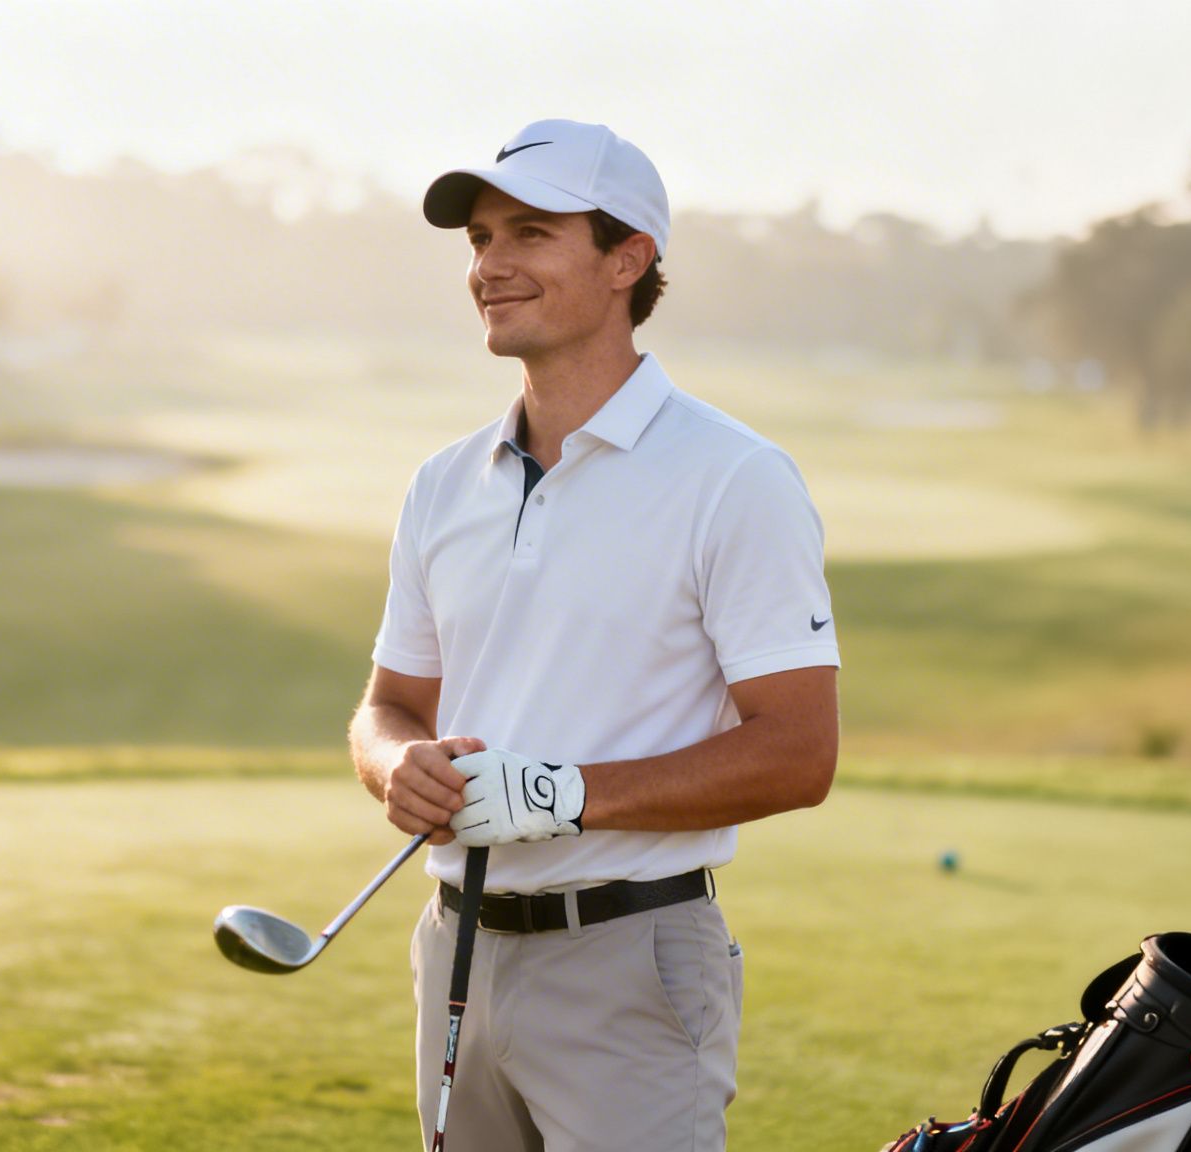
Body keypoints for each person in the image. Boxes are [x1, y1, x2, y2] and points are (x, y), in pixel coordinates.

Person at [348, 118, 840, 1152]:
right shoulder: (442, 484)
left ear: (628, 259)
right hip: (455, 952)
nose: (489, 265)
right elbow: (388, 703)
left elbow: (798, 751)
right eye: (479, 238)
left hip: (630, 955)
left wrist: (566, 795)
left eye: (528, 233)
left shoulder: (731, 477)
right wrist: (397, 767)